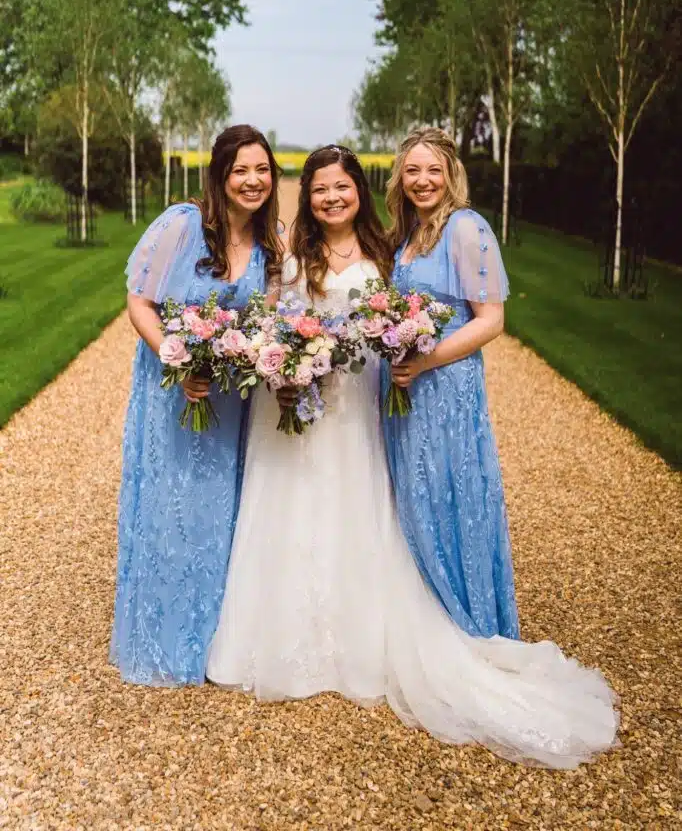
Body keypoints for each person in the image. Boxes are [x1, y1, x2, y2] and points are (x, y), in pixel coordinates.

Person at [206, 145, 618, 769]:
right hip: (292, 403)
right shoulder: (288, 249)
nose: (332, 198)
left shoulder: (385, 250)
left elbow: (408, 320)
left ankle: (359, 641)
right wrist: (281, 367)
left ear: (361, 191)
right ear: (306, 196)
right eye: (320, 189)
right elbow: (271, 317)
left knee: (358, 507)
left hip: (359, 411)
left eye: (342, 187)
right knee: (287, 503)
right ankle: (281, 638)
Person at [110, 124, 281, 686]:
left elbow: (268, 322)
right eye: (240, 170)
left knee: (217, 511)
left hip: (229, 400)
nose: (252, 181)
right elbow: (140, 302)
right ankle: (163, 638)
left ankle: (215, 641)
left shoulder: (269, 243)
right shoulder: (181, 225)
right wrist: (177, 358)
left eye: (262, 170)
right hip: (173, 391)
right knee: (172, 506)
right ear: (220, 175)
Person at [383, 126, 518, 639]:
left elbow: (490, 320)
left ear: (451, 174)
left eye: (433, 170)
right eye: (413, 171)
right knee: (413, 497)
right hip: (404, 389)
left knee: (447, 493)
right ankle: (422, 621)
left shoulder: (465, 228)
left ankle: (465, 622)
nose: (422, 181)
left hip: (445, 389)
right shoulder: (407, 234)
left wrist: (425, 361)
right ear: (400, 177)